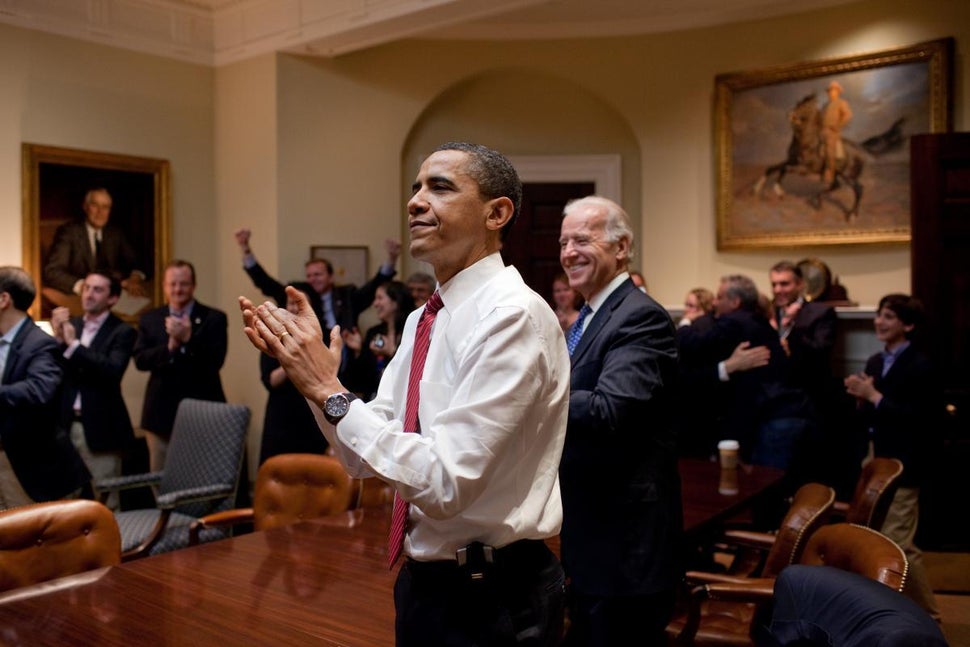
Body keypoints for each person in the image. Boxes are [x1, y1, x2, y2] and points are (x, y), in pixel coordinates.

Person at [240, 142, 569, 646]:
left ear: (496, 212)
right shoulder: (423, 319)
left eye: (440, 187)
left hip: (494, 596)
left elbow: (444, 482)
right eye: (415, 187)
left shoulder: (512, 316)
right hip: (425, 583)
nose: (415, 201)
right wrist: (313, 380)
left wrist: (330, 391)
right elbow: (359, 457)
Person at [557, 195, 682, 646]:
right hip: (592, 534)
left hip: (624, 545)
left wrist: (533, 397)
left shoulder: (640, 316)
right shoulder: (589, 316)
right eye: (564, 241)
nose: (568, 251)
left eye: (582, 239)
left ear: (622, 247)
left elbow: (611, 409)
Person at [844, 294, 941, 620]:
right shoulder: (874, 361)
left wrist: (874, 396)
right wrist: (860, 398)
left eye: (888, 316)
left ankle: (930, 617)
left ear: (908, 325)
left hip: (904, 465)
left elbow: (920, 419)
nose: (879, 322)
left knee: (900, 543)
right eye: (879, 315)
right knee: (871, 538)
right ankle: (881, 612)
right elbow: (870, 417)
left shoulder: (922, 365)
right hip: (873, 460)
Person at [680, 274, 812, 470]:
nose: (715, 302)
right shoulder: (758, 321)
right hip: (789, 411)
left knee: (765, 487)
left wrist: (684, 324)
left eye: (720, 297)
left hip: (772, 418)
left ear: (735, 301)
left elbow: (693, 345)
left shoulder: (734, 322)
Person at [0, 266, 89, 509]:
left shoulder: (40, 344)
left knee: (38, 544)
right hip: (5, 461)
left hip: (33, 470)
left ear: (4, 299)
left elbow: (38, 390)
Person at [50, 271, 136, 509]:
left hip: (102, 428)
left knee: (106, 501)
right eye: (87, 287)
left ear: (113, 298)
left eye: (98, 290)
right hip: (67, 425)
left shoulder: (122, 331)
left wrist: (73, 345)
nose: (89, 294)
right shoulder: (72, 324)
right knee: (63, 500)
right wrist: (58, 342)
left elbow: (111, 370)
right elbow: (55, 373)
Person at [134, 260, 227, 471]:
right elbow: (140, 360)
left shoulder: (214, 318)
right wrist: (170, 347)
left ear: (193, 285)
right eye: (172, 284)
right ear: (164, 287)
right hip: (160, 415)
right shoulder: (150, 319)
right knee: (161, 478)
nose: (178, 289)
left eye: (184, 284)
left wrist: (188, 339)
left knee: (203, 475)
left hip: (203, 411)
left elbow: (215, 361)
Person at [235, 228, 400, 335]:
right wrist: (245, 249)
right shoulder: (299, 293)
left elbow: (373, 287)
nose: (313, 279)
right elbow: (266, 283)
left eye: (318, 274)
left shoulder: (347, 295)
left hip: (344, 360)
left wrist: (392, 259)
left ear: (331, 276)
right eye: (309, 275)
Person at [257, 294, 329, 465]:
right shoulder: (272, 338)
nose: (295, 308)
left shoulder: (320, 337)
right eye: (291, 303)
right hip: (281, 415)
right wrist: (291, 358)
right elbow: (270, 381)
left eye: (300, 304)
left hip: (311, 413)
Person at [43, 188, 148, 298]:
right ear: (85, 207)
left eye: (105, 207)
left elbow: (137, 261)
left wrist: (135, 277)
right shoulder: (69, 232)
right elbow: (52, 271)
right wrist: (83, 286)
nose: (100, 212)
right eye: (95, 205)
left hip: (112, 295)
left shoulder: (115, 233)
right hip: (79, 299)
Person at [342, 280, 415, 401]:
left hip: (404, 399)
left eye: (380, 298)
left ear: (396, 301)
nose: (375, 304)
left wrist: (391, 353)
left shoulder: (413, 330)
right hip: (375, 399)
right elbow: (359, 380)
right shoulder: (374, 332)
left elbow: (413, 369)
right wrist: (359, 350)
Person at [821, 80, 852, 185]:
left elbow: (847, 115)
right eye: (829, 91)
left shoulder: (841, 103)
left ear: (838, 92)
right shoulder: (825, 105)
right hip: (822, 130)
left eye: (833, 91)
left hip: (832, 132)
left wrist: (838, 126)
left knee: (829, 150)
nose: (830, 93)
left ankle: (830, 172)